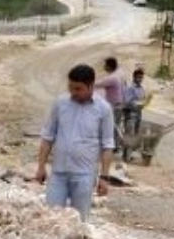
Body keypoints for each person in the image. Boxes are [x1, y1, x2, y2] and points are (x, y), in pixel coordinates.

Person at [35, 64, 116, 221]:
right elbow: (47, 137)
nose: (73, 93)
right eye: (71, 88)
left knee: (79, 221)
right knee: (51, 218)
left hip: (84, 176)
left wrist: (104, 178)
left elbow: (107, 145)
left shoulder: (103, 109)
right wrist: (41, 167)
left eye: (78, 89)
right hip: (59, 173)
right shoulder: (60, 103)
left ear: (91, 86)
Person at [94, 56, 126, 154]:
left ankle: (114, 145)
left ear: (109, 66)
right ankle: (116, 145)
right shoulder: (117, 75)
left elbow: (98, 84)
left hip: (114, 105)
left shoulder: (112, 78)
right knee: (114, 125)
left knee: (111, 126)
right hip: (117, 104)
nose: (104, 67)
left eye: (105, 65)